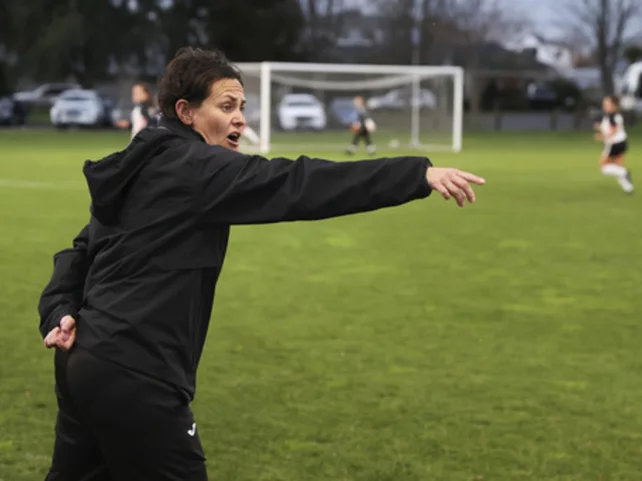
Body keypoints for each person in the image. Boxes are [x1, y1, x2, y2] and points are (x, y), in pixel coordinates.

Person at [38, 46, 485, 481]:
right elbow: (299, 183)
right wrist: (416, 175)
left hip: (84, 361)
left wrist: (57, 310)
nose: (240, 118)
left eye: (242, 106)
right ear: (186, 111)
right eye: (226, 105)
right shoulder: (197, 168)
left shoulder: (143, 162)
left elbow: (81, 249)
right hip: (137, 374)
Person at [593, 95, 634, 194]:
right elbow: (611, 128)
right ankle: (628, 188)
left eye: (607, 103)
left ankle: (625, 173)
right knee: (617, 166)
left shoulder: (612, 115)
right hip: (622, 143)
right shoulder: (613, 115)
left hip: (614, 144)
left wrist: (600, 136)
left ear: (613, 105)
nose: (604, 105)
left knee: (604, 167)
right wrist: (600, 128)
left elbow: (613, 131)